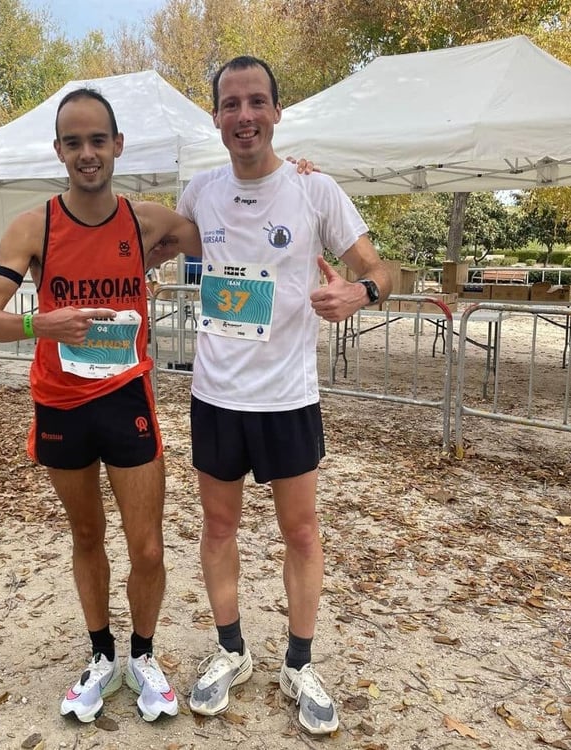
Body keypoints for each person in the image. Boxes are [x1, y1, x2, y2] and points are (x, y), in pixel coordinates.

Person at [0, 88, 203, 725]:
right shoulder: (33, 227)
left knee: (147, 548)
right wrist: (40, 324)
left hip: (126, 397)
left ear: (118, 145)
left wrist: (289, 177)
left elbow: (221, 229)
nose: (87, 153)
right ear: (59, 151)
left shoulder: (144, 221)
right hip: (62, 403)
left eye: (98, 140)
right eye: (73, 143)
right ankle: (102, 656)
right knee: (87, 535)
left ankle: (143, 656)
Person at [175, 56, 394, 735]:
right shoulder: (199, 192)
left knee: (300, 531)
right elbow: (147, 243)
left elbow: (379, 265)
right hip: (216, 393)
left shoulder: (315, 189)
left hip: (287, 397)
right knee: (218, 529)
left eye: (256, 102)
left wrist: (361, 291)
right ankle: (232, 651)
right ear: (216, 117)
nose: (244, 115)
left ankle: (299, 663)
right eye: (230, 104)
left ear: (276, 111)